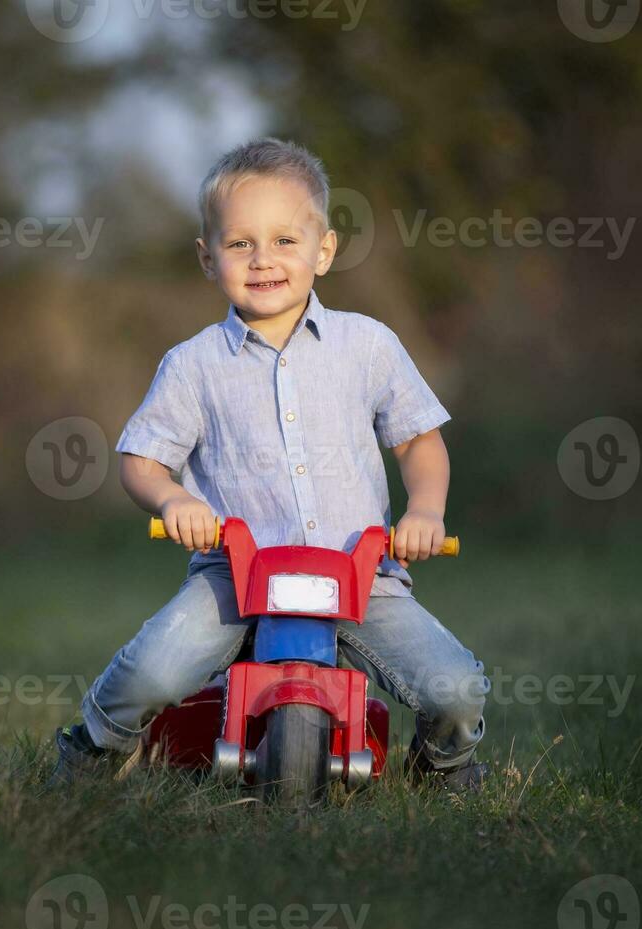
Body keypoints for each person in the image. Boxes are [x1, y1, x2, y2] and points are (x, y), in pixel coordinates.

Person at [51, 137, 489, 791]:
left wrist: (425, 510)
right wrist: (174, 502)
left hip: (360, 574)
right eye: (240, 244)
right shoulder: (194, 364)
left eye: (285, 240)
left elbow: (418, 442)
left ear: (324, 249)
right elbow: (141, 461)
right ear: (208, 257)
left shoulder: (366, 345)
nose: (263, 260)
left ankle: (445, 764)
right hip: (236, 574)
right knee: (154, 672)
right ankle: (90, 751)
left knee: (454, 685)